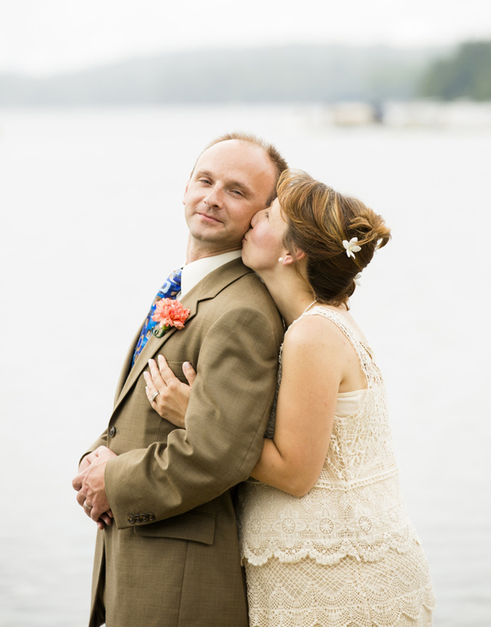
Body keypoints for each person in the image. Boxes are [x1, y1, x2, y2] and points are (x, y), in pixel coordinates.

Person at [145, 170, 435, 626]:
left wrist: (196, 414)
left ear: (290, 252)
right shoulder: (319, 322)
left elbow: (296, 473)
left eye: (264, 216)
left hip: (338, 577)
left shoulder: (312, 335)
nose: (250, 222)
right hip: (320, 566)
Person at [71, 133, 288, 626]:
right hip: (134, 561)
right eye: (205, 180)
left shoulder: (242, 311)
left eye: (236, 190)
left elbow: (221, 453)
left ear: (261, 216)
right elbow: (135, 403)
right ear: (185, 188)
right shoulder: (186, 288)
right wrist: (94, 457)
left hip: (179, 580)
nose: (212, 197)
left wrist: (115, 483)